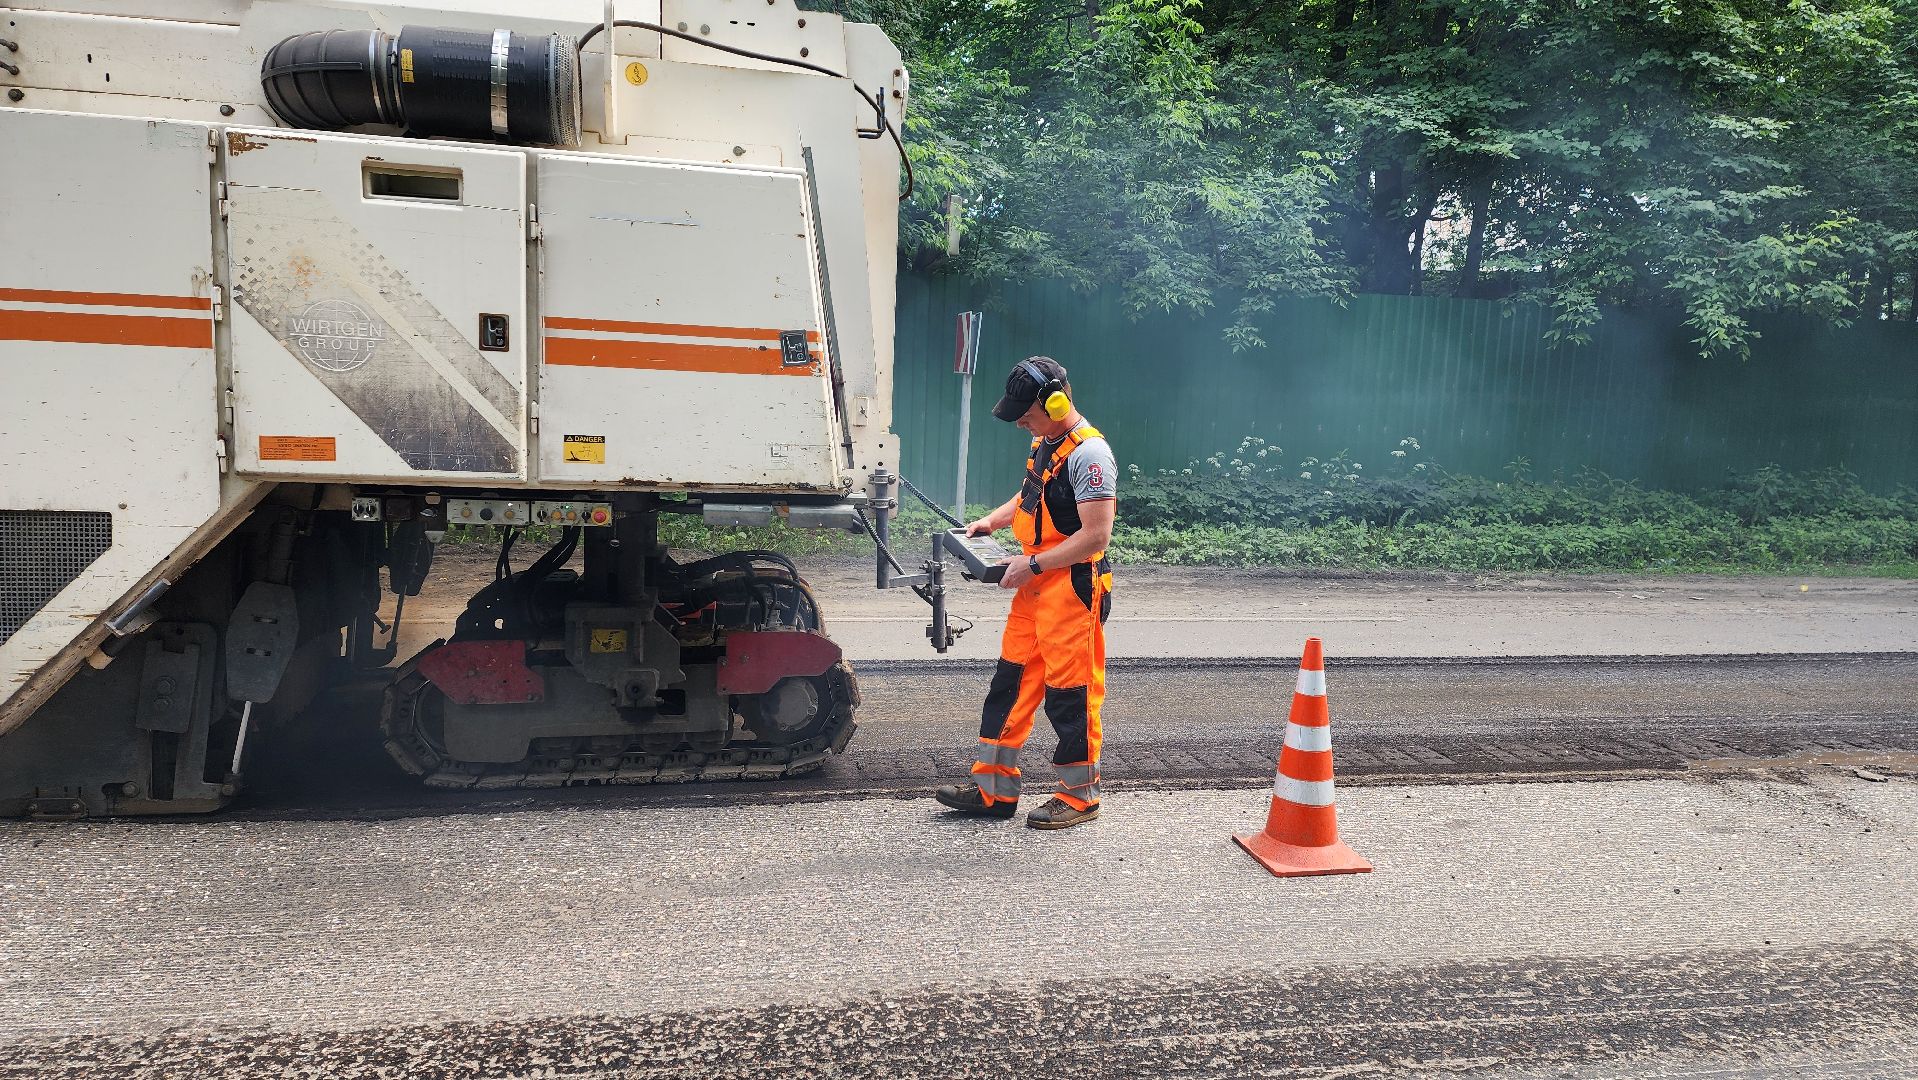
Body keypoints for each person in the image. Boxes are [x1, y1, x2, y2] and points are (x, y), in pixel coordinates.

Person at [935, 356, 1116, 830]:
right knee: (1010, 685)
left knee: (1070, 696)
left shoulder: (1091, 456)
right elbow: (1030, 496)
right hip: (1036, 586)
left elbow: (1096, 536)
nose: (1019, 422)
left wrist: (1032, 564)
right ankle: (993, 790)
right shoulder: (1046, 442)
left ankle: (1079, 796)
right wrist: (991, 522)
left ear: (1055, 402)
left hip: (1072, 589)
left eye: (1026, 414)